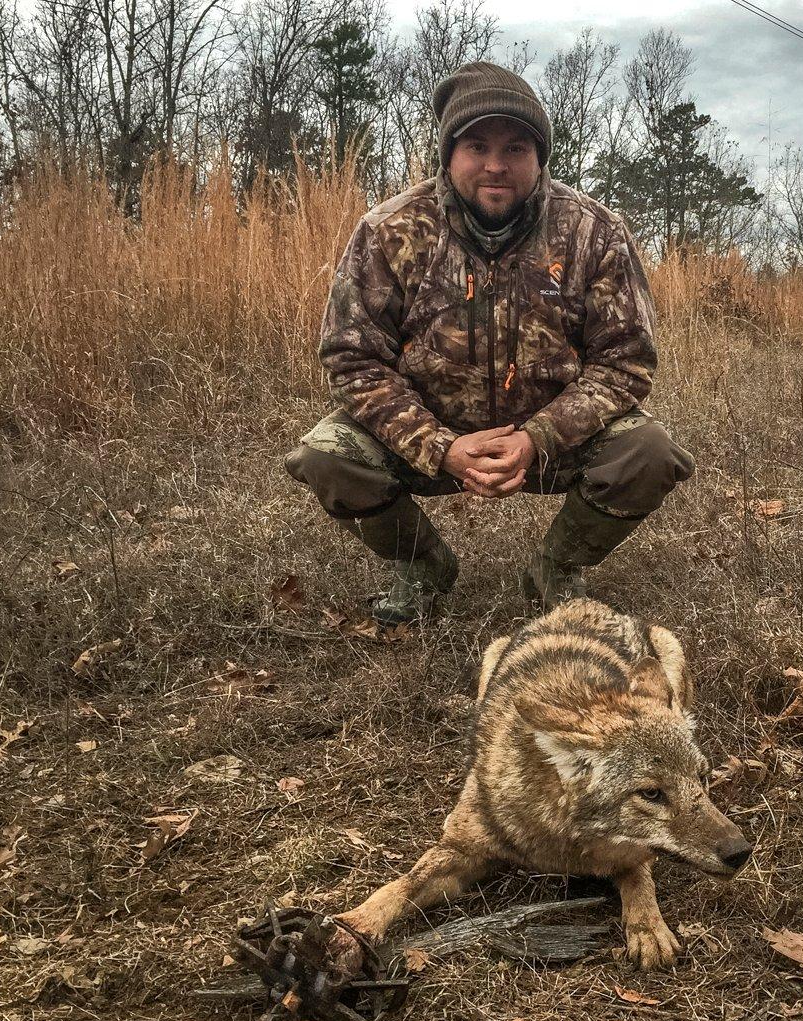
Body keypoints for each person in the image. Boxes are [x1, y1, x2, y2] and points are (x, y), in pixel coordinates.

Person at [285, 61, 694, 621]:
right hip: (432, 438)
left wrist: (536, 438)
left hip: (551, 443)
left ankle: (554, 571)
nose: (495, 166)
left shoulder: (593, 231)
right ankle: (424, 571)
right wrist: (441, 447)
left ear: (540, 157)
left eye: (516, 149)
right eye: (477, 146)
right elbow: (353, 360)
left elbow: (625, 362)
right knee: (325, 455)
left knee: (649, 452)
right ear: (449, 154)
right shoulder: (391, 229)